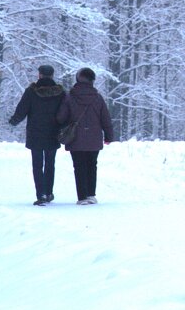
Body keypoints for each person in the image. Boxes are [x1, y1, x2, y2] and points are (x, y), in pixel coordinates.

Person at [56, 67, 114, 205]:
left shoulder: (69, 97)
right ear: (92, 80)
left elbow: (60, 117)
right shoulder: (98, 98)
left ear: (77, 79)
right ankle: (91, 194)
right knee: (92, 165)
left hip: (76, 138)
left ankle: (82, 197)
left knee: (79, 166)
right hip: (94, 138)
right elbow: (105, 118)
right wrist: (109, 136)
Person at [8, 64, 66, 205]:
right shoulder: (60, 92)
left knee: (37, 165)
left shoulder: (31, 91)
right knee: (50, 164)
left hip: (36, 133)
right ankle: (49, 192)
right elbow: (65, 111)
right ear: (52, 75)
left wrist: (13, 121)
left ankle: (41, 195)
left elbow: (22, 110)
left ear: (39, 75)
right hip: (54, 132)